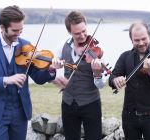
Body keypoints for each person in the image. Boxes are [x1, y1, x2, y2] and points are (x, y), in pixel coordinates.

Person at [0, 5, 61, 140]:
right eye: (14, 30)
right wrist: (5, 80)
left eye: (21, 30)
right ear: (2, 27)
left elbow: (38, 78)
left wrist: (52, 69)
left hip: (20, 113)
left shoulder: (26, 46)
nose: (18, 34)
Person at [108, 22, 150, 140]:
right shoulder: (125, 57)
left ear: (149, 36)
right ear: (131, 40)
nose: (141, 43)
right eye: (137, 40)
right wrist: (115, 80)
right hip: (129, 116)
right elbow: (112, 78)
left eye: (144, 38)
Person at [52, 11, 106, 140]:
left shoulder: (97, 48)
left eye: (84, 31)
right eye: (77, 33)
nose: (82, 36)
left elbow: (101, 84)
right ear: (70, 32)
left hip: (91, 103)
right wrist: (55, 72)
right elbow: (52, 71)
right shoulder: (62, 46)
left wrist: (97, 73)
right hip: (68, 103)